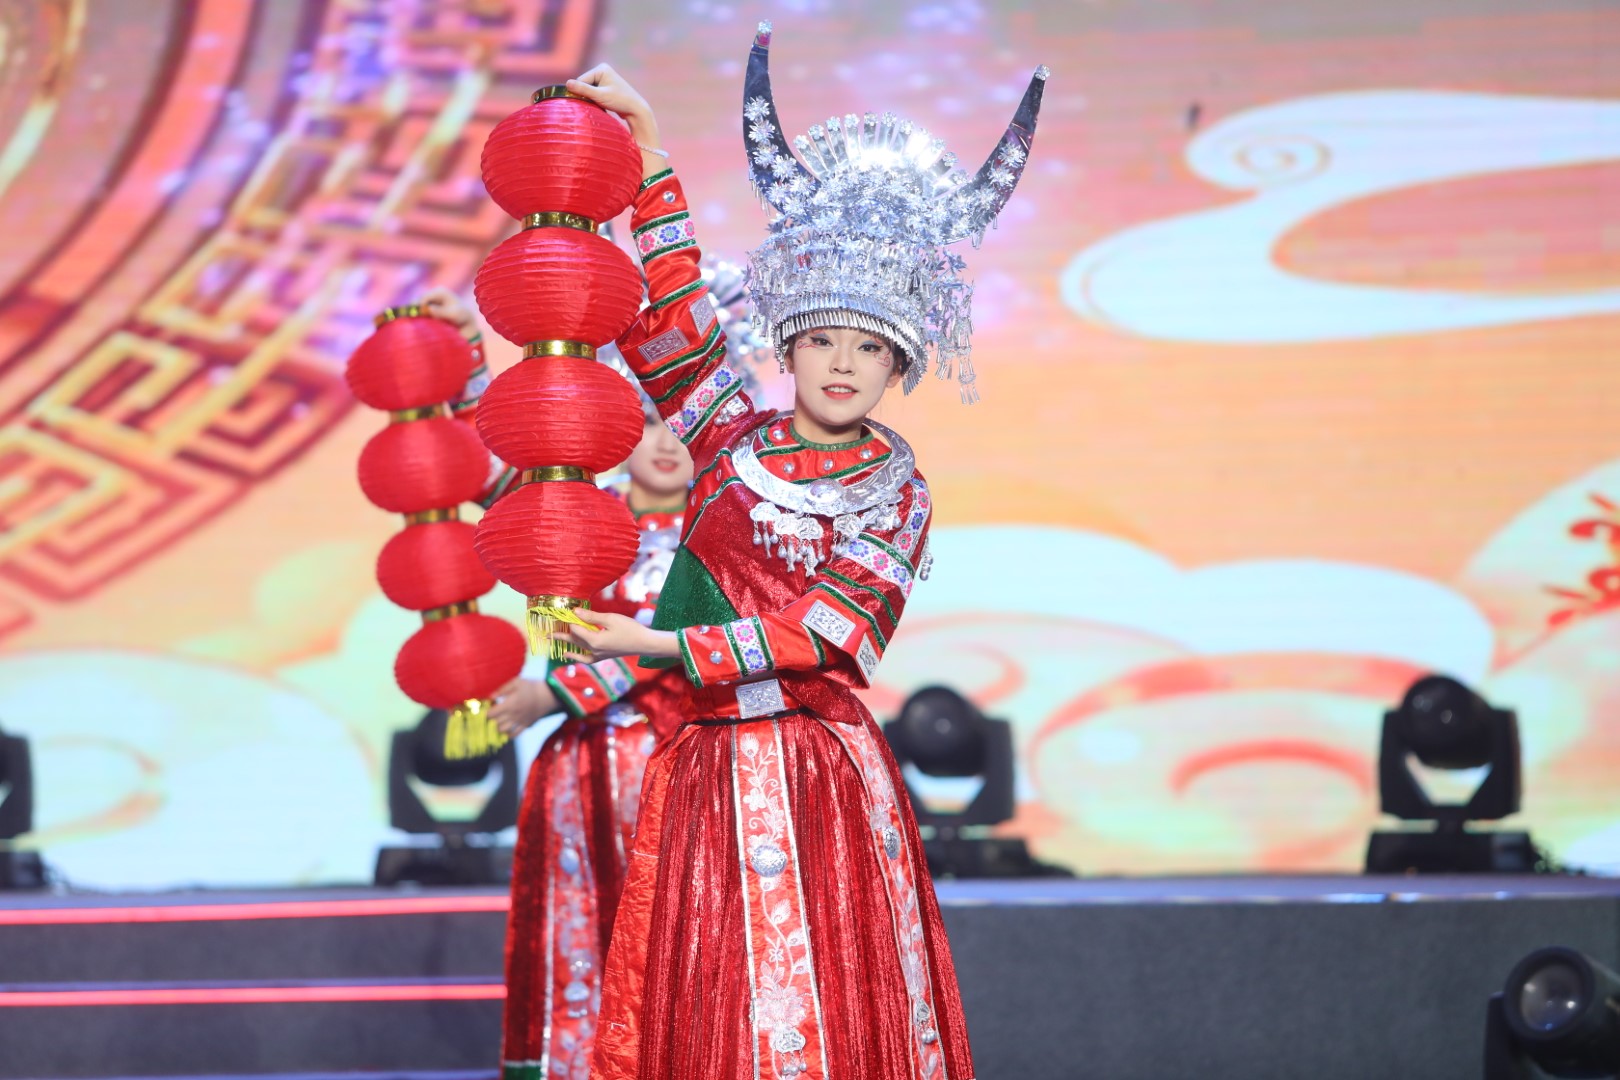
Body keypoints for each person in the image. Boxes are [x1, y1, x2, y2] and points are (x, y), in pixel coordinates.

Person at [550, 24, 1047, 1080]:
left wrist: (655, 645)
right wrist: (649, 155)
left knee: (824, 1003)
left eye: (869, 348)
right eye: (822, 339)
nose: (841, 365)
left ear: (899, 366)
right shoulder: (729, 435)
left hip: (816, 767)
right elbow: (676, 315)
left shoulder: (897, 489)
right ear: (788, 344)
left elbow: (826, 635)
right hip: (703, 766)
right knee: (711, 997)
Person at [418, 289, 695, 1080]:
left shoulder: (718, 533)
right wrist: (469, 356)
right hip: (581, 770)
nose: (666, 441)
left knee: (676, 936)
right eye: (649, 419)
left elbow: (665, 645)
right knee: (580, 932)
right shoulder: (584, 513)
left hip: (683, 765)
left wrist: (554, 695)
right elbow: (494, 484)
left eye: (683, 423)